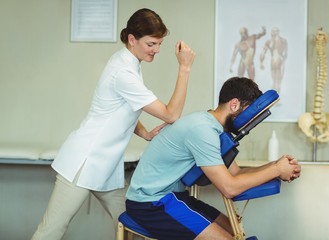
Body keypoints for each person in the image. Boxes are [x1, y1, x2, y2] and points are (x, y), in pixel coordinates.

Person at [31, 8, 195, 240]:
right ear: (132, 39)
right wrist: (185, 68)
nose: (157, 50)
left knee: (134, 224)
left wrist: (144, 133)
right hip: (84, 161)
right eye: (151, 44)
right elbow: (170, 114)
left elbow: (123, 108)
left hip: (106, 166)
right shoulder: (123, 72)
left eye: (159, 44)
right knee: (51, 230)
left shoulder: (127, 63)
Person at [125, 76, 301, 240]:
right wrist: (276, 169)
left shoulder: (213, 128)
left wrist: (277, 167)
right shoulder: (203, 131)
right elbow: (229, 188)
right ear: (234, 105)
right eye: (248, 113)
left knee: (235, 231)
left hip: (174, 196)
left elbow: (236, 173)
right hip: (150, 204)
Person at [260, 27, 288, 93]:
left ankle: (277, 89)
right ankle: (276, 90)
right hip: (273, 60)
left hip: (279, 59)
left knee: (278, 78)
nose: (274, 33)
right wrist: (261, 62)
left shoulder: (283, 41)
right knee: (274, 78)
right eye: (273, 31)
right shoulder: (269, 41)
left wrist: (283, 61)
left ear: (278, 32)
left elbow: (286, 53)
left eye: (275, 31)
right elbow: (263, 52)